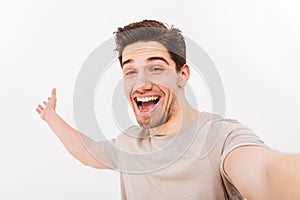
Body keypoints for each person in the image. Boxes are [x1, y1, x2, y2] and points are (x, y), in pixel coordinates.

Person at [36, 19, 300, 199]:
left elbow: (266, 174)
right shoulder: (130, 143)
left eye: (156, 67)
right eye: (130, 71)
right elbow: (88, 153)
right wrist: (51, 117)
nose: (140, 84)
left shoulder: (220, 138)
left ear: (182, 75)